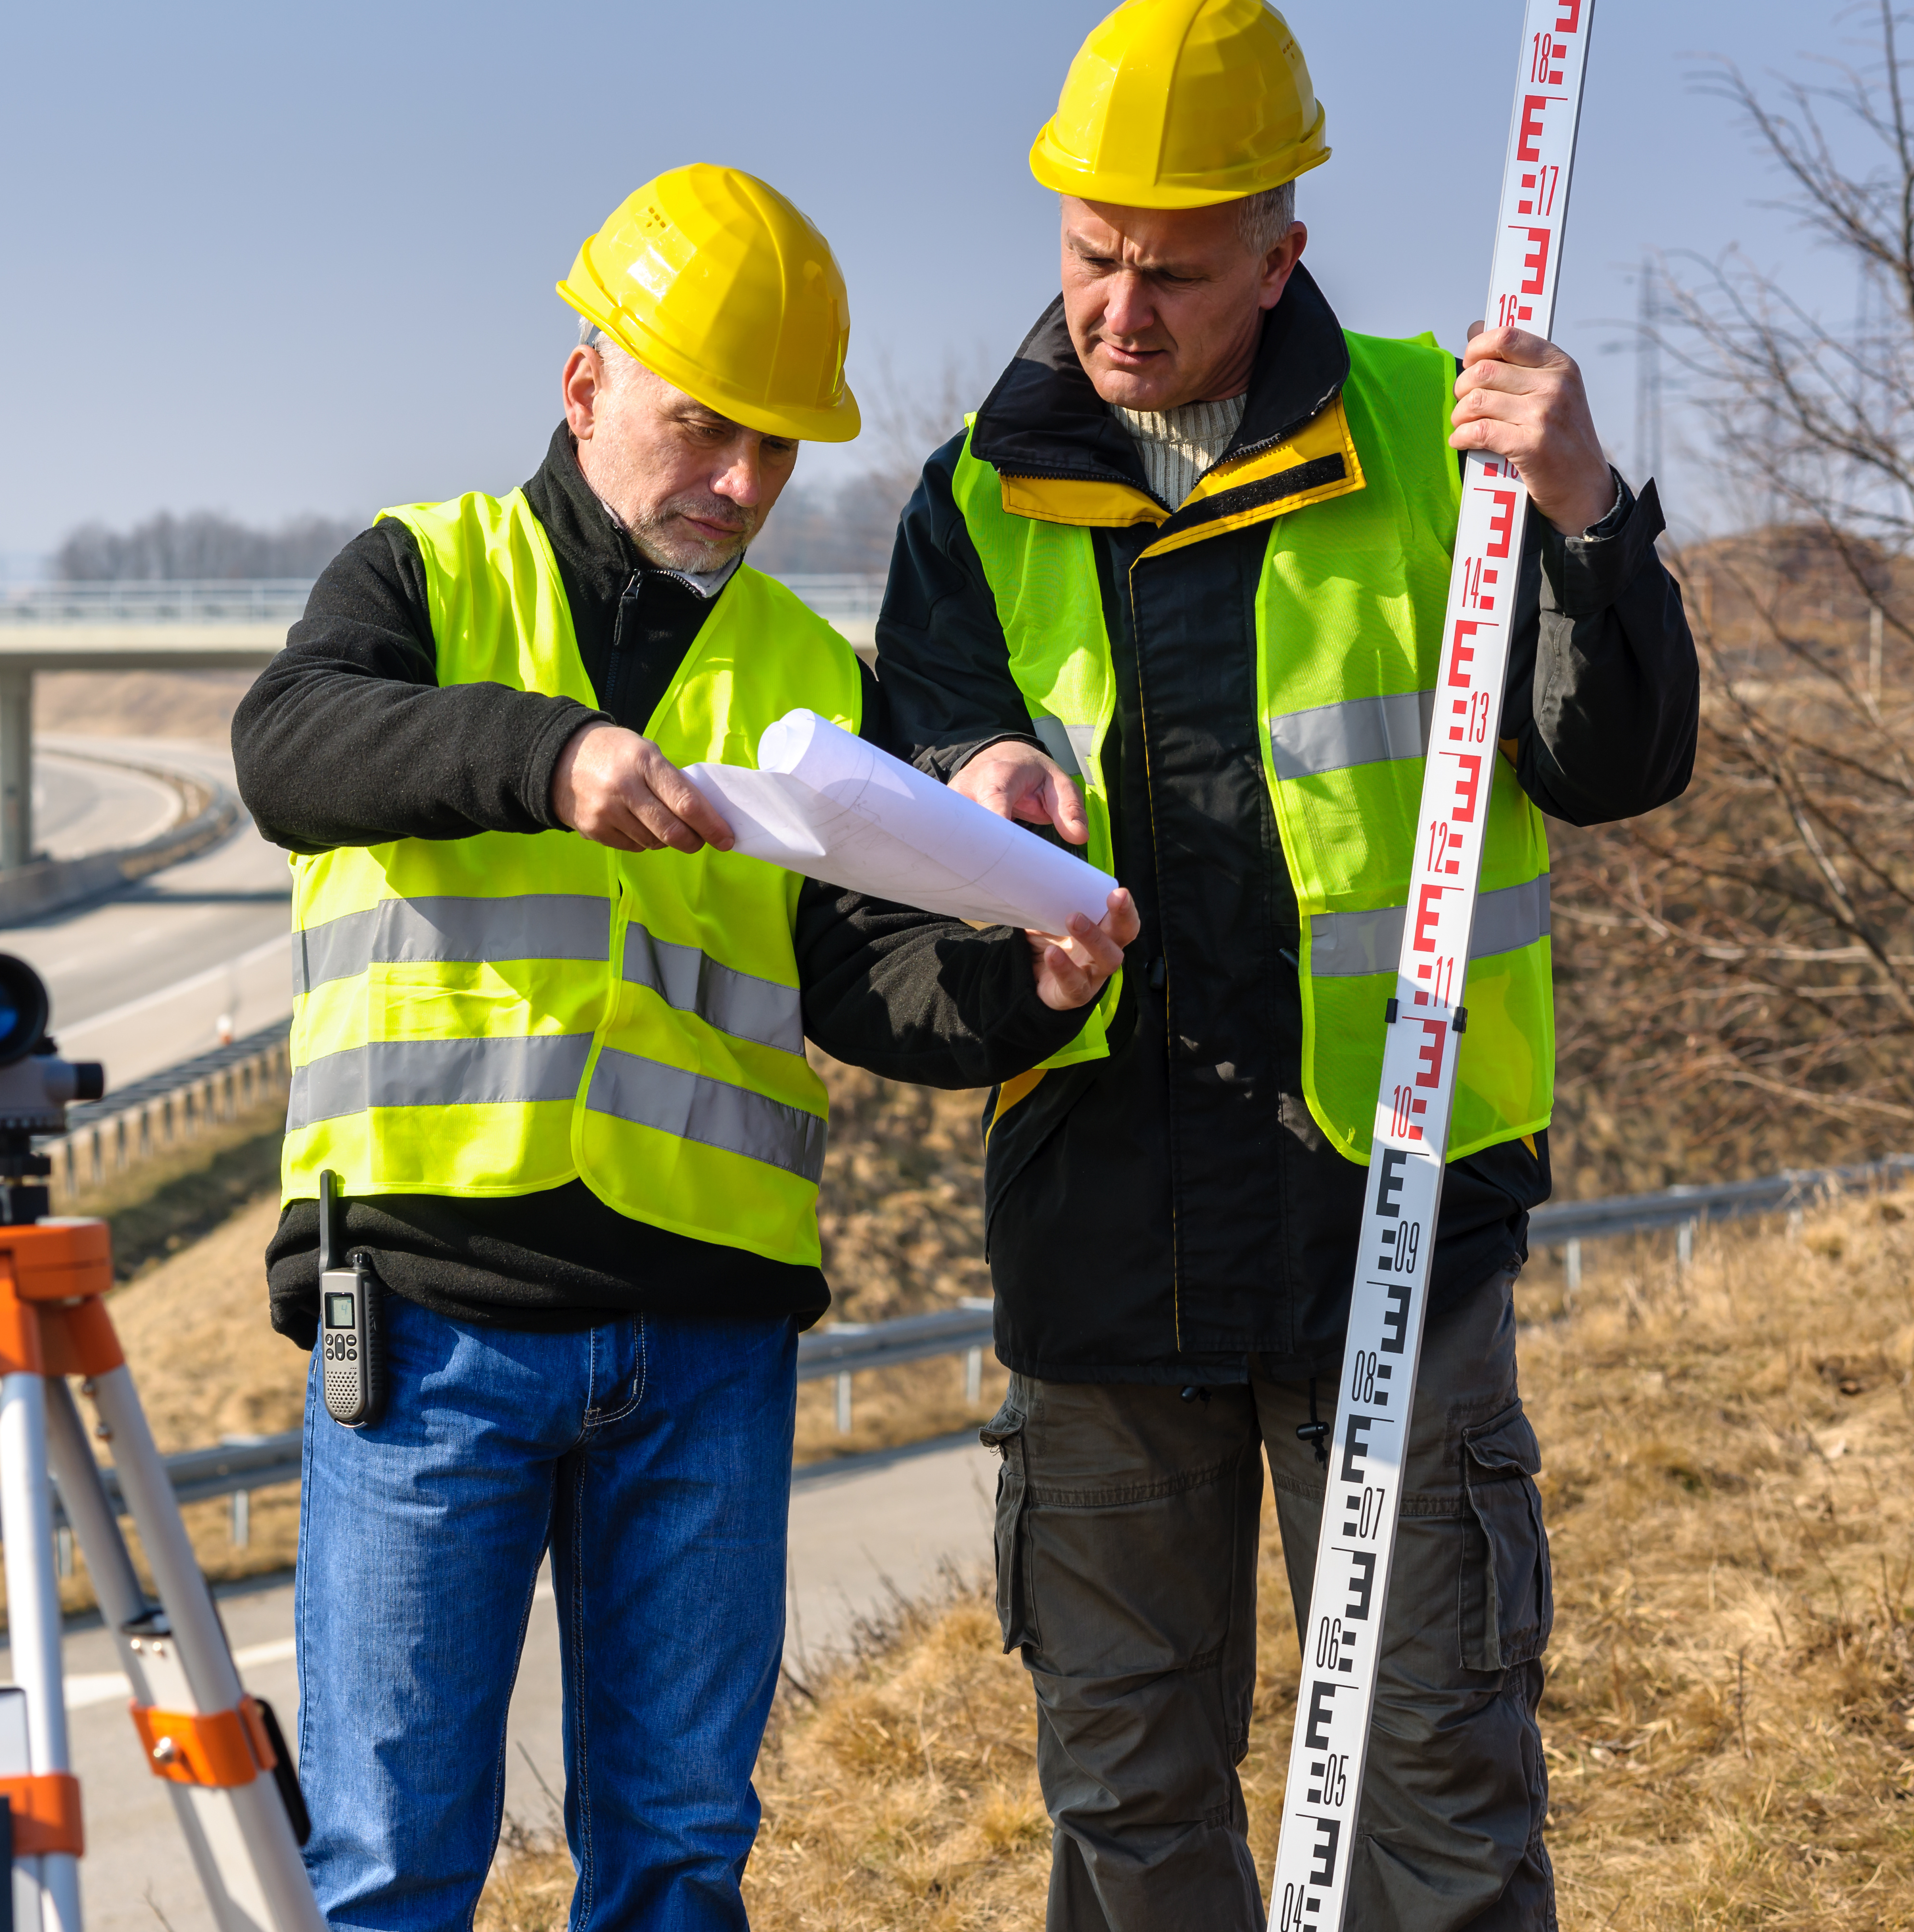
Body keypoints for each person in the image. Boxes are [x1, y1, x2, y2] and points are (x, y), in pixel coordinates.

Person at [232, 164, 1139, 1928]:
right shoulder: (426, 576)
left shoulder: (805, 666)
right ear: (586, 388)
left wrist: (1021, 991)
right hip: (432, 1323)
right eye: (704, 431)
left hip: (706, 1340)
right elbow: (292, 750)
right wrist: (552, 757)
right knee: (395, 1871)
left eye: (776, 454)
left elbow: (865, 974)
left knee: (674, 1866)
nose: (740, 487)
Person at [875, 4, 1698, 1928]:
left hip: (1390, 1229)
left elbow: (1614, 764)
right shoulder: (968, 506)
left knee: (1438, 1791)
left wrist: (1588, 512)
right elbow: (910, 851)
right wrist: (966, 788)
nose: (1123, 310)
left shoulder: (1446, 436)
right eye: (1091, 257)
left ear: (1282, 256)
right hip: (1100, 1256)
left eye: (1173, 270)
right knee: (1132, 1808)